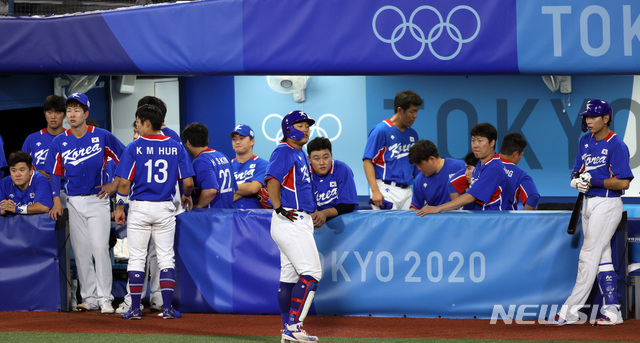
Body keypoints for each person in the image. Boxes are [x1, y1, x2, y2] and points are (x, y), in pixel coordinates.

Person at [549, 99, 633, 326]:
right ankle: (612, 311)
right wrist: (577, 181)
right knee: (602, 256)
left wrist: (593, 181)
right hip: (587, 203)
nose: (588, 121)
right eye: (586, 117)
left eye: (593, 116)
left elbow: (624, 183)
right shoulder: (585, 140)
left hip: (607, 204)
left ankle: (570, 310)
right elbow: (576, 172)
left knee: (588, 254)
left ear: (606, 118)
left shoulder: (616, 144)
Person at [44, 92, 125, 314]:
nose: (71, 114)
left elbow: (126, 157)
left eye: (76, 110)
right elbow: (54, 174)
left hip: (97, 200)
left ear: (86, 113)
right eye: (68, 110)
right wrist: (55, 200)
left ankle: (105, 298)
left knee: (99, 249)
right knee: (80, 252)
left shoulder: (102, 136)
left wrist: (115, 184)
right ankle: (89, 298)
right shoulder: (59, 141)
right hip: (73, 201)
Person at [114, 104, 195, 320]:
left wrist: (119, 207)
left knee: (137, 258)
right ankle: (167, 308)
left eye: (139, 122)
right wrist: (186, 194)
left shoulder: (134, 146)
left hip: (140, 207)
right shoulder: (176, 146)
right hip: (164, 207)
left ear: (147, 123)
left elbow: (123, 183)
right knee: (166, 257)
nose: (137, 126)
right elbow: (187, 182)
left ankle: (135, 309)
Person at [265, 110, 321, 342]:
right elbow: (272, 179)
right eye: (300, 124)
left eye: (307, 125)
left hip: (296, 218)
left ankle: (288, 328)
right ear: (289, 127)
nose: (306, 128)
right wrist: (278, 207)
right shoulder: (284, 150)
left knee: (288, 277)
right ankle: (294, 327)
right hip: (290, 219)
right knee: (312, 273)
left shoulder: (298, 152)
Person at [416, 123, 507, 215]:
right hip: (479, 219)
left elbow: (471, 196)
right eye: (473, 140)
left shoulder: (494, 168)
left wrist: (438, 208)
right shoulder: (480, 163)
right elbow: (452, 183)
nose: (475, 145)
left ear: (492, 143)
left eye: (480, 141)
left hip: (491, 221)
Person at [363, 90, 423, 210]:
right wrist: (375, 191)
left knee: (409, 228)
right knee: (387, 229)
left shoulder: (413, 134)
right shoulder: (381, 131)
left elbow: (416, 166)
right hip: (385, 189)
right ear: (400, 110)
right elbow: (368, 161)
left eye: (416, 111)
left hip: (407, 190)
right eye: (412, 111)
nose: (415, 116)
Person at [307, 137, 359, 228]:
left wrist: (324, 213)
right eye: (316, 159)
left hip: (346, 227)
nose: (322, 162)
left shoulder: (342, 169)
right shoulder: (304, 173)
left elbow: (348, 205)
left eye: (326, 157)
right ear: (309, 159)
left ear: (331, 155)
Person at [183, 122, 237, 209]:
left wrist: (197, 207)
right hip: (228, 216)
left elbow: (211, 191)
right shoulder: (223, 156)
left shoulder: (201, 161)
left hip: (211, 218)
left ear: (188, 143)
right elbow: (234, 190)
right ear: (207, 139)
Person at [408, 139, 465, 210]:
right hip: (436, 220)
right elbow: (415, 207)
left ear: (432, 159)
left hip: (463, 218)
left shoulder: (461, 167)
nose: (419, 169)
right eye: (416, 165)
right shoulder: (419, 180)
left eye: (421, 164)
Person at [21, 95, 66, 179]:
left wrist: (59, 175)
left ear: (65, 115)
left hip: (66, 190)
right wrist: (34, 173)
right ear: (45, 113)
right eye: (49, 112)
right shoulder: (32, 139)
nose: (53, 116)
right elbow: (20, 168)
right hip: (38, 190)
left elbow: (83, 170)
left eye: (58, 112)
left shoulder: (73, 138)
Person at [229, 124, 270, 209]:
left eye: (241, 138)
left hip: (254, 217)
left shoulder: (263, 164)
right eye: (234, 139)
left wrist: (229, 188)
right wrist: (245, 188)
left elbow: (253, 188)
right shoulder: (227, 165)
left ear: (252, 141)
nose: (237, 142)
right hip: (230, 216)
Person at [0, 151, 53, 215]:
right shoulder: (4, 182)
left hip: (35, 223)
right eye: (13, 170)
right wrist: (2, 210)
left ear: (30, 171)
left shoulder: (40, 180)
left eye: (22, 170)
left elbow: (44, 207)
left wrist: (16, 209)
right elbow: (2, 207)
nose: (17, 174)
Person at [499, 133, 540, 210]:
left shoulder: (484, 165)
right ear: (515, 154)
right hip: (507, 220)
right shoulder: (520, 175)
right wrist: (525, 219)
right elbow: (533, 197)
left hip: (480, 219)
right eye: (521, 155)